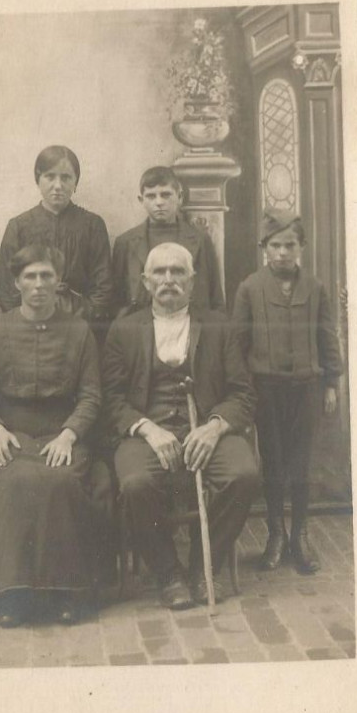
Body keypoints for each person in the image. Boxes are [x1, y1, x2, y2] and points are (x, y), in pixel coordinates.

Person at [103, 242, 258, 610]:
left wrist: (215, 427)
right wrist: (147, 429)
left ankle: (204, 568)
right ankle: (168, 572)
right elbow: (111, 399)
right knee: (136, 483)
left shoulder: (220, 327)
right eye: (160, 272)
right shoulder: (124, 329)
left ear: (192, 281)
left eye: (177, 272)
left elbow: (243, 394)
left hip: (207, 430)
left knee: (244, 475)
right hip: (146, 433)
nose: (168, 279)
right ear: (145, 281)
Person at [0, 244, 101, 628]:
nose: (39, 285)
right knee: (12, 483)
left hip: (61, 435)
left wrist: (69, 435)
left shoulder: (78, 331)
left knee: (59, 481)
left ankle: (67, 592)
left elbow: (92, 394)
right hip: (11, 433)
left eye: (47, 276)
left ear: (59, 282)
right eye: (30, 276)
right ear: (16, 282)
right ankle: (12, 593)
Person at [232, 210, 344, 574]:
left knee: (301, 463)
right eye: (275, 245)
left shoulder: (316, 288)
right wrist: (244, 394)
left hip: (306, 388)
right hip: (266, 390)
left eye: (289, 245)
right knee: (274, 463)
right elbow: (238, 343)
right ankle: (275, 535)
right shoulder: (250, 288)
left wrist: (331, 382)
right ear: (264, 248)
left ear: (302, 247)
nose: (282, 252)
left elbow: (327, 337)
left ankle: (301, 534)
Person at [0, 146, 113, 336]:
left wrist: (80, 323)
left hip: (80, 326)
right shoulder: (19, 226)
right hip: (29, 326)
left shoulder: (92, 225)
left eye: (66, 177)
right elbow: (8, 291)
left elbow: (103, 288)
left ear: (76, 182)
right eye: (50, 177)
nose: (58, 185)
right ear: (38, 180)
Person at [111, 166, 225, 317]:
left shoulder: (200, 240)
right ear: (141, 200)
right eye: (151, 196)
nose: (159, 202)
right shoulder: (126, 243)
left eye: (166, 195)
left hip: (192, 325)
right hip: (142, 331)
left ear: (179, 197)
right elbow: (116, 301)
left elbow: (215, 297)